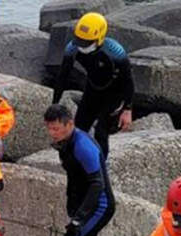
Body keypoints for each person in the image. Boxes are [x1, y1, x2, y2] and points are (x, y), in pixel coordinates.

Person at [43, 102, 115, 236]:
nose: (52, 133)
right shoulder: (65, 143)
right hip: (82, 202)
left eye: (56, 128)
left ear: (69, 124)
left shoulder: (82, 145)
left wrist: (79, 218)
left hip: (100, 205)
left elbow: (96, 184)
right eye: (49, 129)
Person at [50, 13, 133, 155]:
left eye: (86, 43)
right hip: (92, 89)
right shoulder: (73, 48)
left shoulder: (115, 53)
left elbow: (128, 81)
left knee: (101, 132)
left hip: (114, 95)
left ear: (99, 38)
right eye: (79, 40)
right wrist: (55, 103)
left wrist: (127, 110)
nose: (82, 46)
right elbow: (62, 77)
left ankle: (101, 167)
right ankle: (76, 161)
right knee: (78, 128)